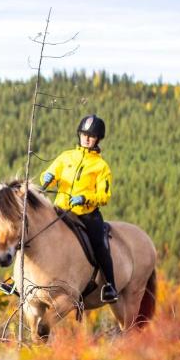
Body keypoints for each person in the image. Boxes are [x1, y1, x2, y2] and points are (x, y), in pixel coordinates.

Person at [39, 114, 118, 303]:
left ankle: (110, 286)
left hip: (86, 215)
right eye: (84, 134)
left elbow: (104, 196)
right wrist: (47, 178)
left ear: (98, 139)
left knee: (99, 244)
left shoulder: (101, 167)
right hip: (60, 209)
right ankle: (19, 280)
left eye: (91, 136)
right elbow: (50, 173)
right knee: (31, 229)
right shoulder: (66, 156)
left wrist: (84, 198)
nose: (87, 138)